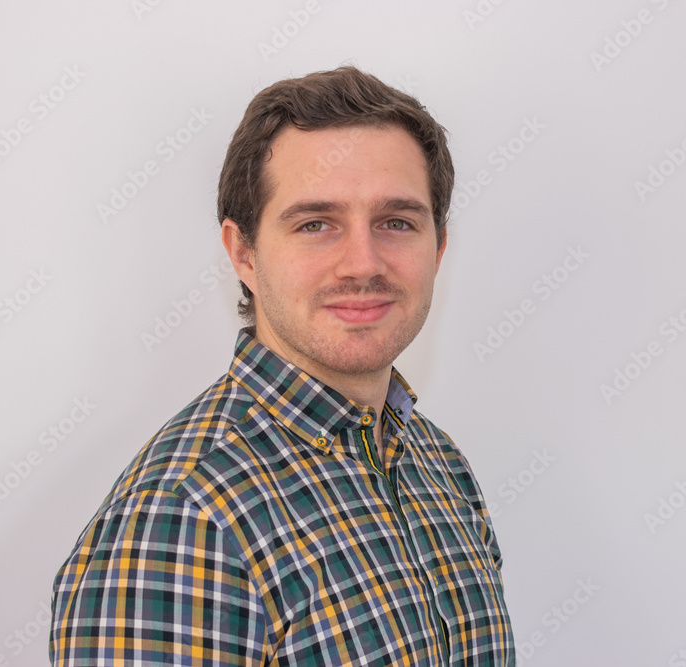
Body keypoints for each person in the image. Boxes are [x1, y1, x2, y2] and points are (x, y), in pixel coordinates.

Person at [50, 65, 514, 665]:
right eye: (315, 224)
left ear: (439, 246)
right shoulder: (183, 518)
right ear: (243, 252)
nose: (362, 263)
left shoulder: (438, 464)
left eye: (396, 222)